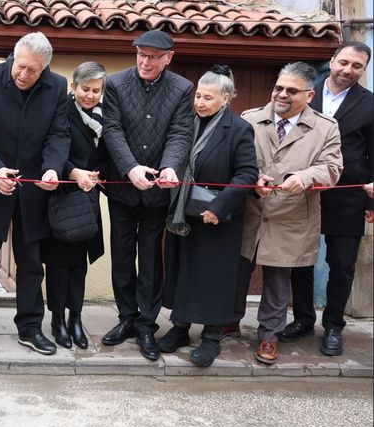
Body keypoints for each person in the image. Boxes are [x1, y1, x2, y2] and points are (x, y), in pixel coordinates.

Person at [0, 32, 69, 357]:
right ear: (13, 57)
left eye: (33, 70)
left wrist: (53, 168)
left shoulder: (58, 87)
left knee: (32, 262)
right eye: (20, 66)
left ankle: (30, 328)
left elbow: (59, 134)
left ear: (45, 69)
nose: (24, 75)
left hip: (34, 188)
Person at [235, 62, 342, 365]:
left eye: (291, 91)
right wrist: (253, 177)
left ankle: (269, 334)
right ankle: (227, 320)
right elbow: (233, 157)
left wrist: (305, 177)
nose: (281, 94)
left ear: (310, 95)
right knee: (236, 271)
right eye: (278, 88)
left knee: (278, 280)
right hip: (251, 211)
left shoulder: (326, 128)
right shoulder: (250, 119)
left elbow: (333, 169)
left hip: (291, 215)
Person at [100, 30, 194, 361]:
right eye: (141, 54)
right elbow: (111, 129)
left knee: (151, 258)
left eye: (153, 57)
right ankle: (126, 318)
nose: (145, 61)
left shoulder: (183, 89)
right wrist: (130, 168)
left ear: (169, 58)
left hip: (158, 192)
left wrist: (170, 167)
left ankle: (146, 324)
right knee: (122, 256)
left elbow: (181, 132)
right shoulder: (115, 84)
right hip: (124, 188)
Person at [158, 66, 258, 367]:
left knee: (214, 276)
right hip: (183, 211)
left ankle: (212, 336)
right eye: (198, 96)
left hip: (217, 216)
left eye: (208, 98)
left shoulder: (238, 128)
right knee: (184, 270)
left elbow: (247, 173)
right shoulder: (186, 123)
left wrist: (219, 208)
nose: (200, 103)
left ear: (225, 99)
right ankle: (180, 327)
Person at [283, 42, 373, 356]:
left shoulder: (370, 104)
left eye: (357, 66)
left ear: (364, 70)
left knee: (342, 265)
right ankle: (303, 319)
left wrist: (372, 201)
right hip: (302, 191)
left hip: (347, 195)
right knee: (300, 262)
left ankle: (334, 325)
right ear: (332, 61)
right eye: (344, 62)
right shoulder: (304, 94)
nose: (348, 70)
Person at [40, 62, 107, 350]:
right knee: (58, 264)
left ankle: (76, 317)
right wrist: (73, 172)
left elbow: (107, 152)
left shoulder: (104, 117)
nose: (90, 96)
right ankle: (57, 319)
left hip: (89, 198)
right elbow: (52, 149)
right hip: (62, 196)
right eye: (85, 89)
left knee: (79, 265)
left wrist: (99, 174)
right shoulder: (61, 113)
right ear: (73, 87)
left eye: (96, 90)